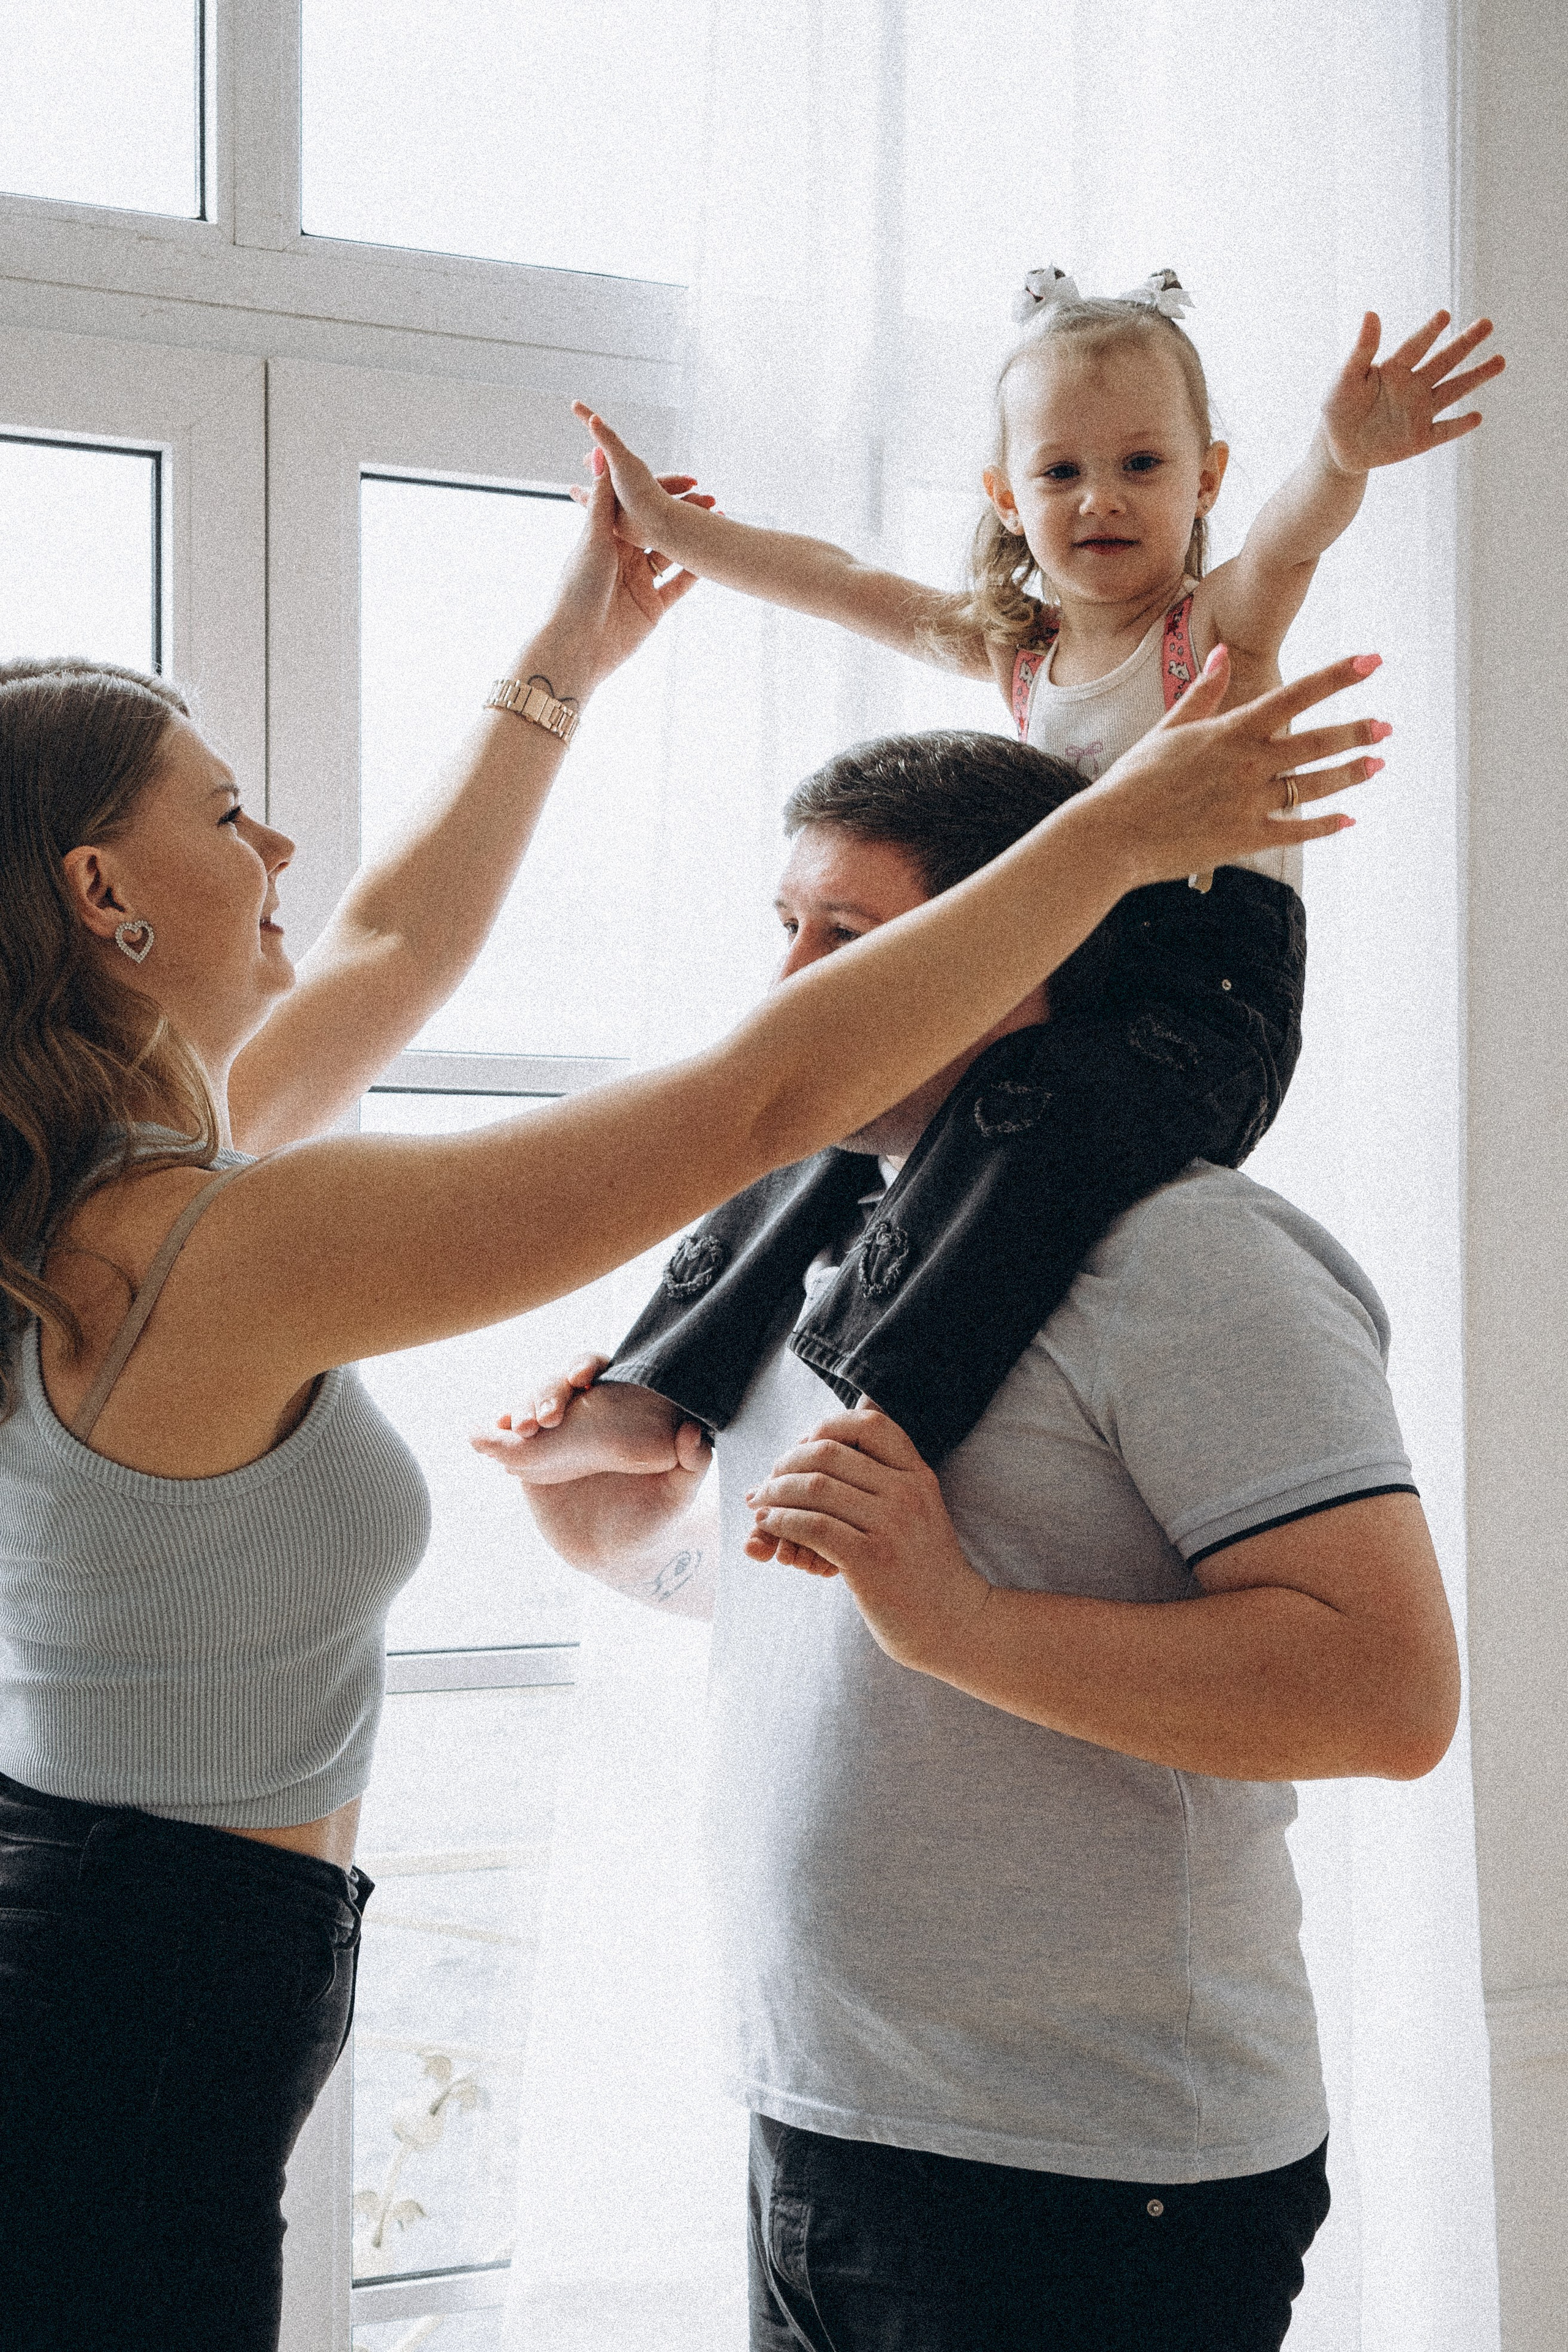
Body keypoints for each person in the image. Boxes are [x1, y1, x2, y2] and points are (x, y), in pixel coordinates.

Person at [0, 428, 1375, 2352]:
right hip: (130, 1991)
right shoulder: (185, 1249)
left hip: (133, 1950)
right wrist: (1124, 837)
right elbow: (754, 1100)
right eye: (226, 814)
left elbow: (399, 939)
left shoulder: (90, 1181)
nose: (279, 845)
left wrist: (572, 652)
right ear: (100, 893)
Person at [481, 727, 1459, 2352]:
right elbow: (818, 1609)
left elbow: (1387, 1692)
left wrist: (963, 1623)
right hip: (820, 2120)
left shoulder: (1198, 1257)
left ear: (1020, 953)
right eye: (783, 928)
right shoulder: (839, 1246)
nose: (789, 984)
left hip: (1084, 2181)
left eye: (849, 943)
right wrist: (610, 1533)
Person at [569, 277, 1501, 1401]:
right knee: (837, 1071)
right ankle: (657, 1379)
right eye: (1061, 472)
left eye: (1142, 466)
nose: (1100, 499)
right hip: (1050, 969)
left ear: (1206, 477)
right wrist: (673, 530)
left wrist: (1338, 459)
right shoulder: (1016, 652)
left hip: (1200, 1004)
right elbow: (837, 582)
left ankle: (884, 1396)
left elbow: (1284, 547)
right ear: (1008, 495)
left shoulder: (1209, 633)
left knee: (1038, 1103)